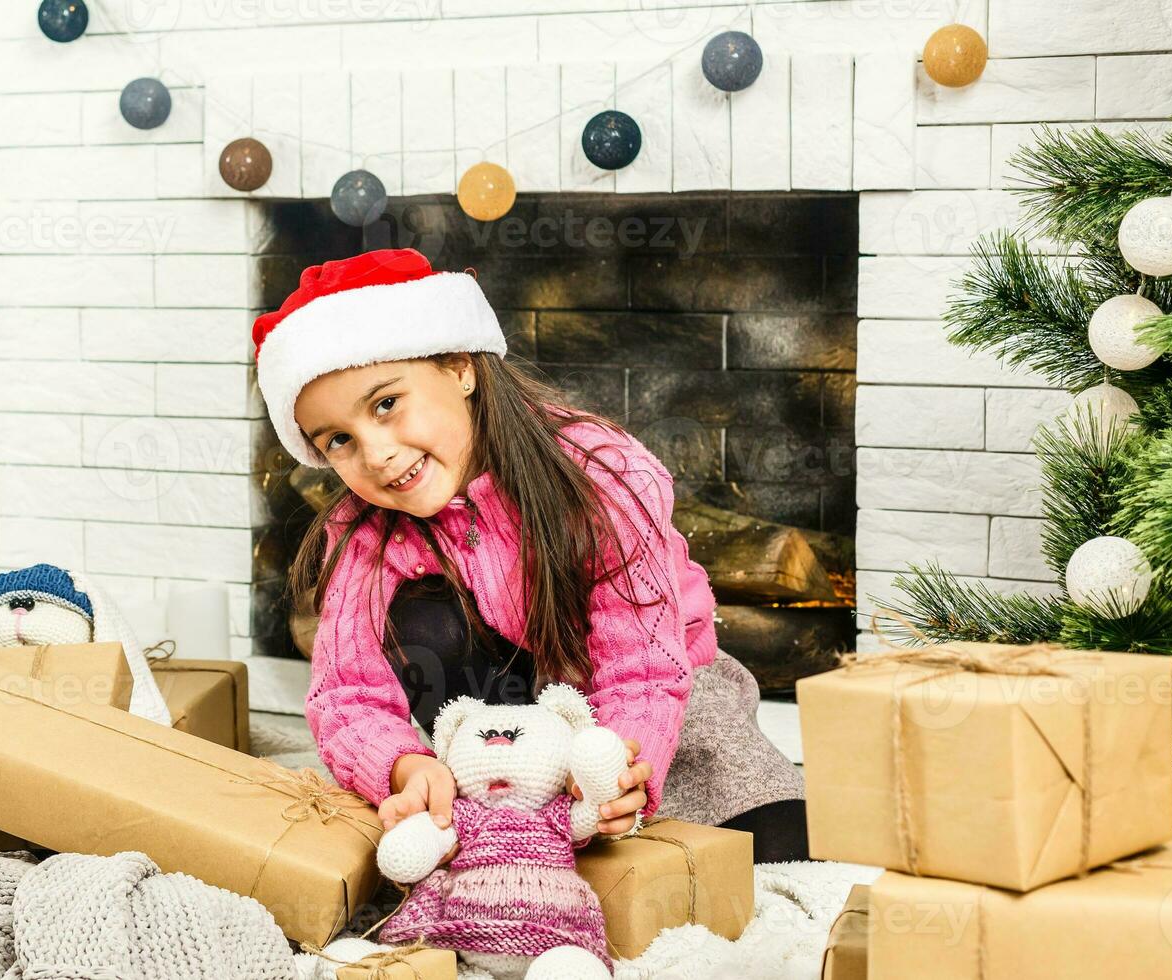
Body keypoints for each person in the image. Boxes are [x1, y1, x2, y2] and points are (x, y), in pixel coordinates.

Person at [256, 247, 809, 863]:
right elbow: (347, 694)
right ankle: (503, 809)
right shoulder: (363, 531)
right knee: (426, 619)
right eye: (339, 441)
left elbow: (643, 666)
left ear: (460, 367)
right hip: (503, 722)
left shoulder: (603, 474)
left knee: (781, 842)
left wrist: (621, 764)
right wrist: (401, 766)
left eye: (387, 404)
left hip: (656, 693)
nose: (377, 453)